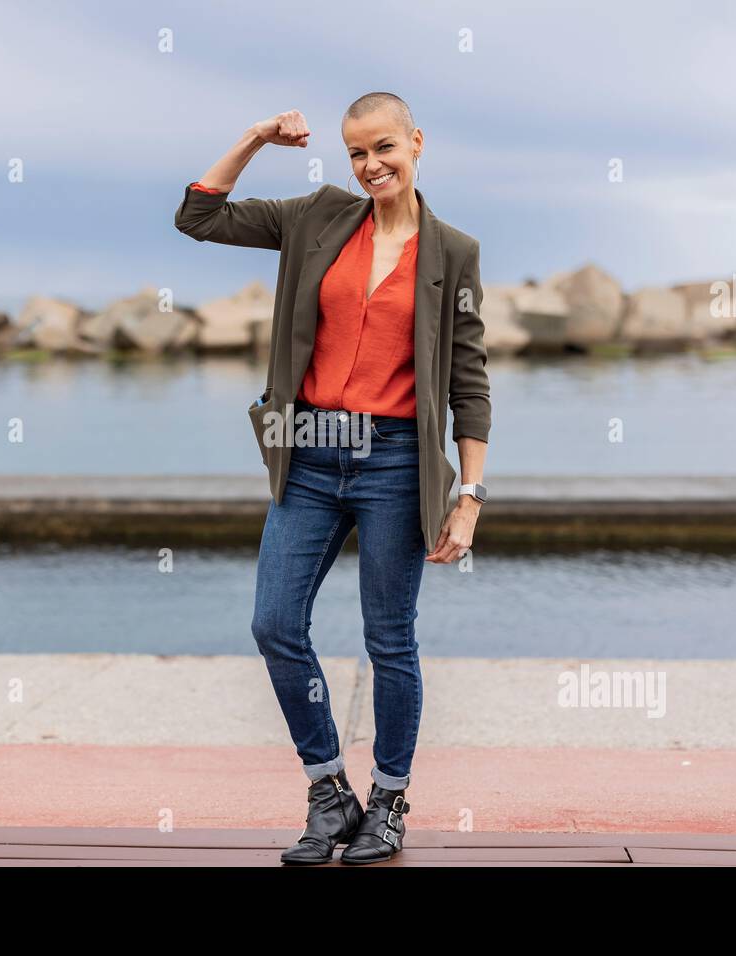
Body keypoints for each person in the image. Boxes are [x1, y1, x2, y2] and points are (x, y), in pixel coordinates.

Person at [173, 93, 491, 864]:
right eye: (357, 153)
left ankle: (387, 801)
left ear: (416, 141)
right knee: (275, 624)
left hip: (395, 462)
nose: (371, 164)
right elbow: (200, 216)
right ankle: (328, 790)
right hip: (310, 450)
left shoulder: (454, 252)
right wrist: (253, 136)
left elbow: (468, 379)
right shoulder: (316, 217)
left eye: (384, 147)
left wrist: (470, 496)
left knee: (390, 640)